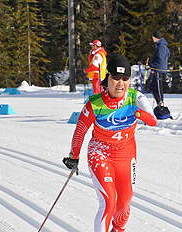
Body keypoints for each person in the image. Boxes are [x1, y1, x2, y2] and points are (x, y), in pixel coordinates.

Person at [63, 54, 157, 232]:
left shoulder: (136, 98)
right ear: (108, 78)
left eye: (125, 78)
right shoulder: (95, 103)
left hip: (126, 156)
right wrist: (73, 156)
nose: (120, 83)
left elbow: (153, 120)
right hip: (100, 154)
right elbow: (80, 131)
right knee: (108, 202)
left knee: (124, 205)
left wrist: (139, 114)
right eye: (116, 77)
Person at [149, 30, 170, 106]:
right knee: (153, 86)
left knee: (158, 86)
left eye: (153, 38)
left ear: (155, 37)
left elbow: (160, 59)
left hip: (159, 69)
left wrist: (152, 65)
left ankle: (160, 102)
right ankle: (159, 101)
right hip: (159, 69)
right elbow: (168, 54)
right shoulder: (161, 45)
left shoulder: (161, 46)